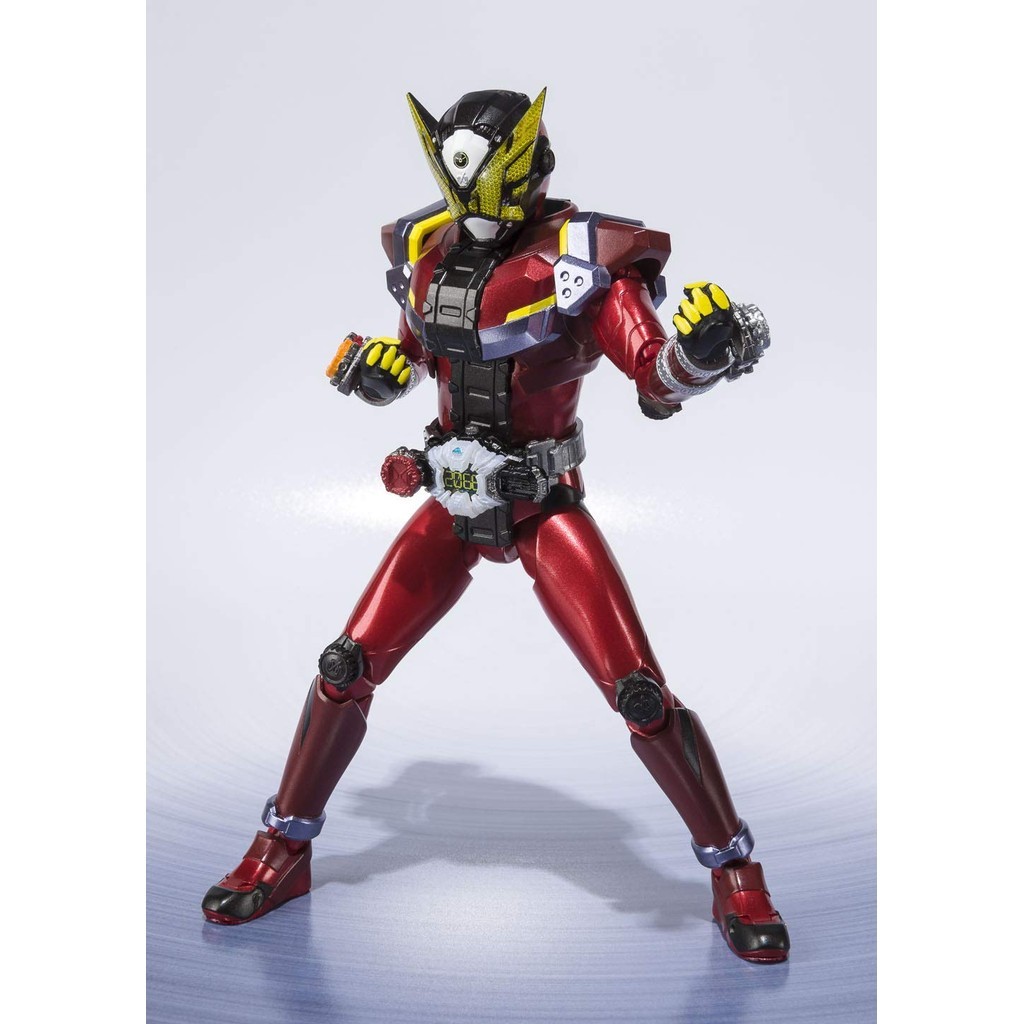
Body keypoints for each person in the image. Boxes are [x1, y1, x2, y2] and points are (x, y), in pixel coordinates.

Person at [202, 88, 789, 964]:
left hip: (542, 502)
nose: (474, 196)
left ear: (527, 168)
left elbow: (653, 375)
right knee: (344, 667)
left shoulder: (582, 258)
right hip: (452, 498)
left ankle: (734, 869)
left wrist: (700, 355)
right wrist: (378, 372)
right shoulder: (425, 250)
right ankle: (282, 847)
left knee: (639, 694)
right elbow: (414, 354)